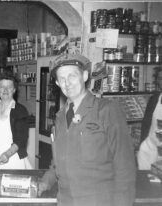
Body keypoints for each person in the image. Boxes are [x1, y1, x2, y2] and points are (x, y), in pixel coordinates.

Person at [38, 54, 136, 206]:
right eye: (62, 79)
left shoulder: (106, 110)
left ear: (84, 76)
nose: (67, 83)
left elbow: (125, 169)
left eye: (72, 76)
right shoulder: (60, 118)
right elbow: (58, 163)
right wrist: (45, 182)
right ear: (57, 83)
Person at [138, 67, 162, 170]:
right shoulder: (155, 98)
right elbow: (146, 124)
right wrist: (142, 145)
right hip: (149, 150)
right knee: (145, 181)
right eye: (160, 78)